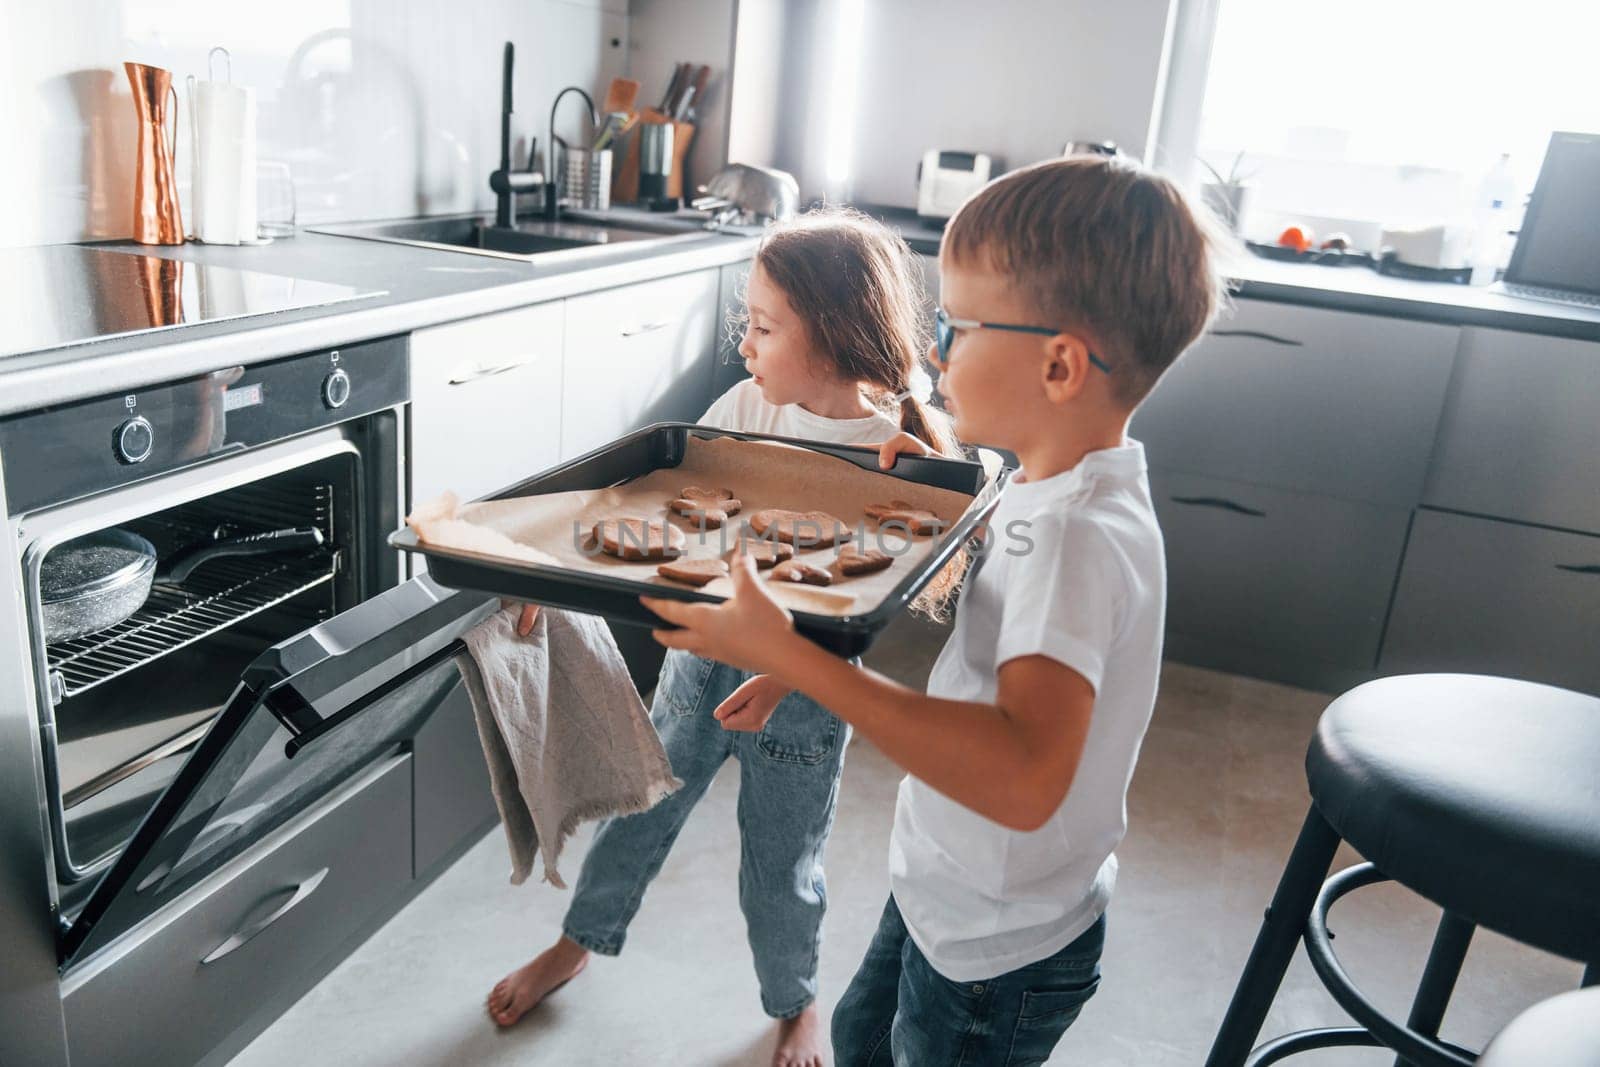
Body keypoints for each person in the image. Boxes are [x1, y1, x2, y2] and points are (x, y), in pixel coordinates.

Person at [641, 156, 1233, 1065]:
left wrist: (806, 665)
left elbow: (1024, 776)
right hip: (951, 886)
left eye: (959, 328)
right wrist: (941, 497)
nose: (936, 354)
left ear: (1060, 364)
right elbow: (1003, 581)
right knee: (859, 1034)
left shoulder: (1075, 538)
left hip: (998, 945)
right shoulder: (1056, 480)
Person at [487, 207, 958, 1067]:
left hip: (802, 702)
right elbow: (656, 511)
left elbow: (869, 607)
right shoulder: (747, 404)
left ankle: (795, 1002)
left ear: (832, 337)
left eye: (765, 327)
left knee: (782, 870)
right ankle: (578, 941)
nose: (746, 344)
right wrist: (547, 581)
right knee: (638, 814)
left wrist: (785, 672)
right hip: (698, 670)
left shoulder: (893, 452)